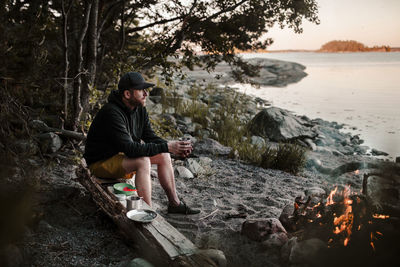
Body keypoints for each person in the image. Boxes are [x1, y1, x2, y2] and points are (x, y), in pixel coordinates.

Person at [83, 71, 200, 214]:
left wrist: (174, 148)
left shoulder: (139, 110)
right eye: (141, 90)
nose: (146, 94)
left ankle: (174, 204)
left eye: (146, 90)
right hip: (100, 162)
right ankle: (147, 212)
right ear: (127, 94)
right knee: (142, 161)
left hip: (120, 156)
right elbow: (131, 149)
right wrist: (167, 146)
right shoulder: (111, 113)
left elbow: (150, 136)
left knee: (164, 155)